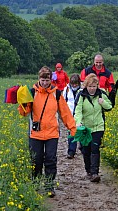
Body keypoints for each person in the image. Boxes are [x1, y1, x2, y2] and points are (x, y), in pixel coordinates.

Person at [18, 66, 76, 197]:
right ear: (39, 79)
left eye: (47, 80)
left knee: (50, 159)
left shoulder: (56, 94)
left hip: (52, 133)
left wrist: (72, 128)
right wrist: (23, 103)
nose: (44, 83)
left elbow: (65, 113)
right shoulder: (32, 92)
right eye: (42, 80)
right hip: (35, 134)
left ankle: (49, 186)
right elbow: (24, 112)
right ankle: (36, 184)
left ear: (51, 80)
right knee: (36, 160)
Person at [74, 73, 112, 182]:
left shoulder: (101, 94)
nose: (92, 89)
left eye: (94, 86)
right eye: (90, 86)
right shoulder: (81, 95)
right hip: (85, 128)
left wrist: (103, 102)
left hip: (98, 127)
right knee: (86, 150)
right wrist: (78, 122)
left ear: (97, 86)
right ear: (86, 86)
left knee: (95, 149)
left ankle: (95, 172)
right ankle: (89, 171)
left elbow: (109, 107)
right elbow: (78, 110)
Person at [62, 73, 81, 159]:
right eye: (73, 84)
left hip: (80, 113)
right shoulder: (66, 89)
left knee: (81, 131)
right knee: (71, 132)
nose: (74, 85)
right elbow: (63, 101)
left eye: (76, 84)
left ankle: (83, 148)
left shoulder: (82, 90)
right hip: (69, 113)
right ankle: (71, 151)